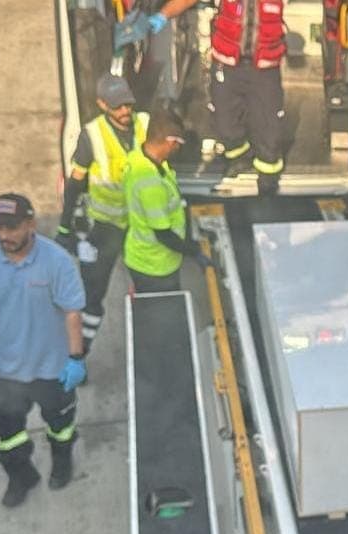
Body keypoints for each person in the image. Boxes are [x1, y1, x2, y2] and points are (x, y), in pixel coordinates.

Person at [0, 194, 87, 507]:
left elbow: (73, 312)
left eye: (12, 227)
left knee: (60, 426)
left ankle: (62, 463)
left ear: (31, 224)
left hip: (51, 368)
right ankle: (22, 475)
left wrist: (75, 359)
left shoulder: (57, 261)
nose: (4, 235)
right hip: (3, 370)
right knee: (8, 433)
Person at [144, 0, 288, 198]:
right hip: (226, 65)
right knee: (224, 121)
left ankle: (268, 177)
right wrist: (162, 16)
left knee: (268, 127)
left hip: (265, 68)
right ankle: (239, 156)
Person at [55, 74, 149, 356]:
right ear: (102, 104)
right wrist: (64, 227)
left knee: (149, 289)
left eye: (128, 105)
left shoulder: (144, 123)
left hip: (138, 227)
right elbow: (75, 184)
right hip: (103, 229)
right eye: (118, 106)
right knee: (91, 296)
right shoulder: (92, 135)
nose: (125, 112)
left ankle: (152, 347)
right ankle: (78, 354)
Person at [123, 109, 212, 293]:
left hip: (141, 257)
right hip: (155, 266)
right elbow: (163, 235)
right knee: (164, 312)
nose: (178, 149)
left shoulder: (140, 156)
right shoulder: (150, 183)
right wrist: (195, 251)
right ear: (170, 142)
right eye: (178, 144)